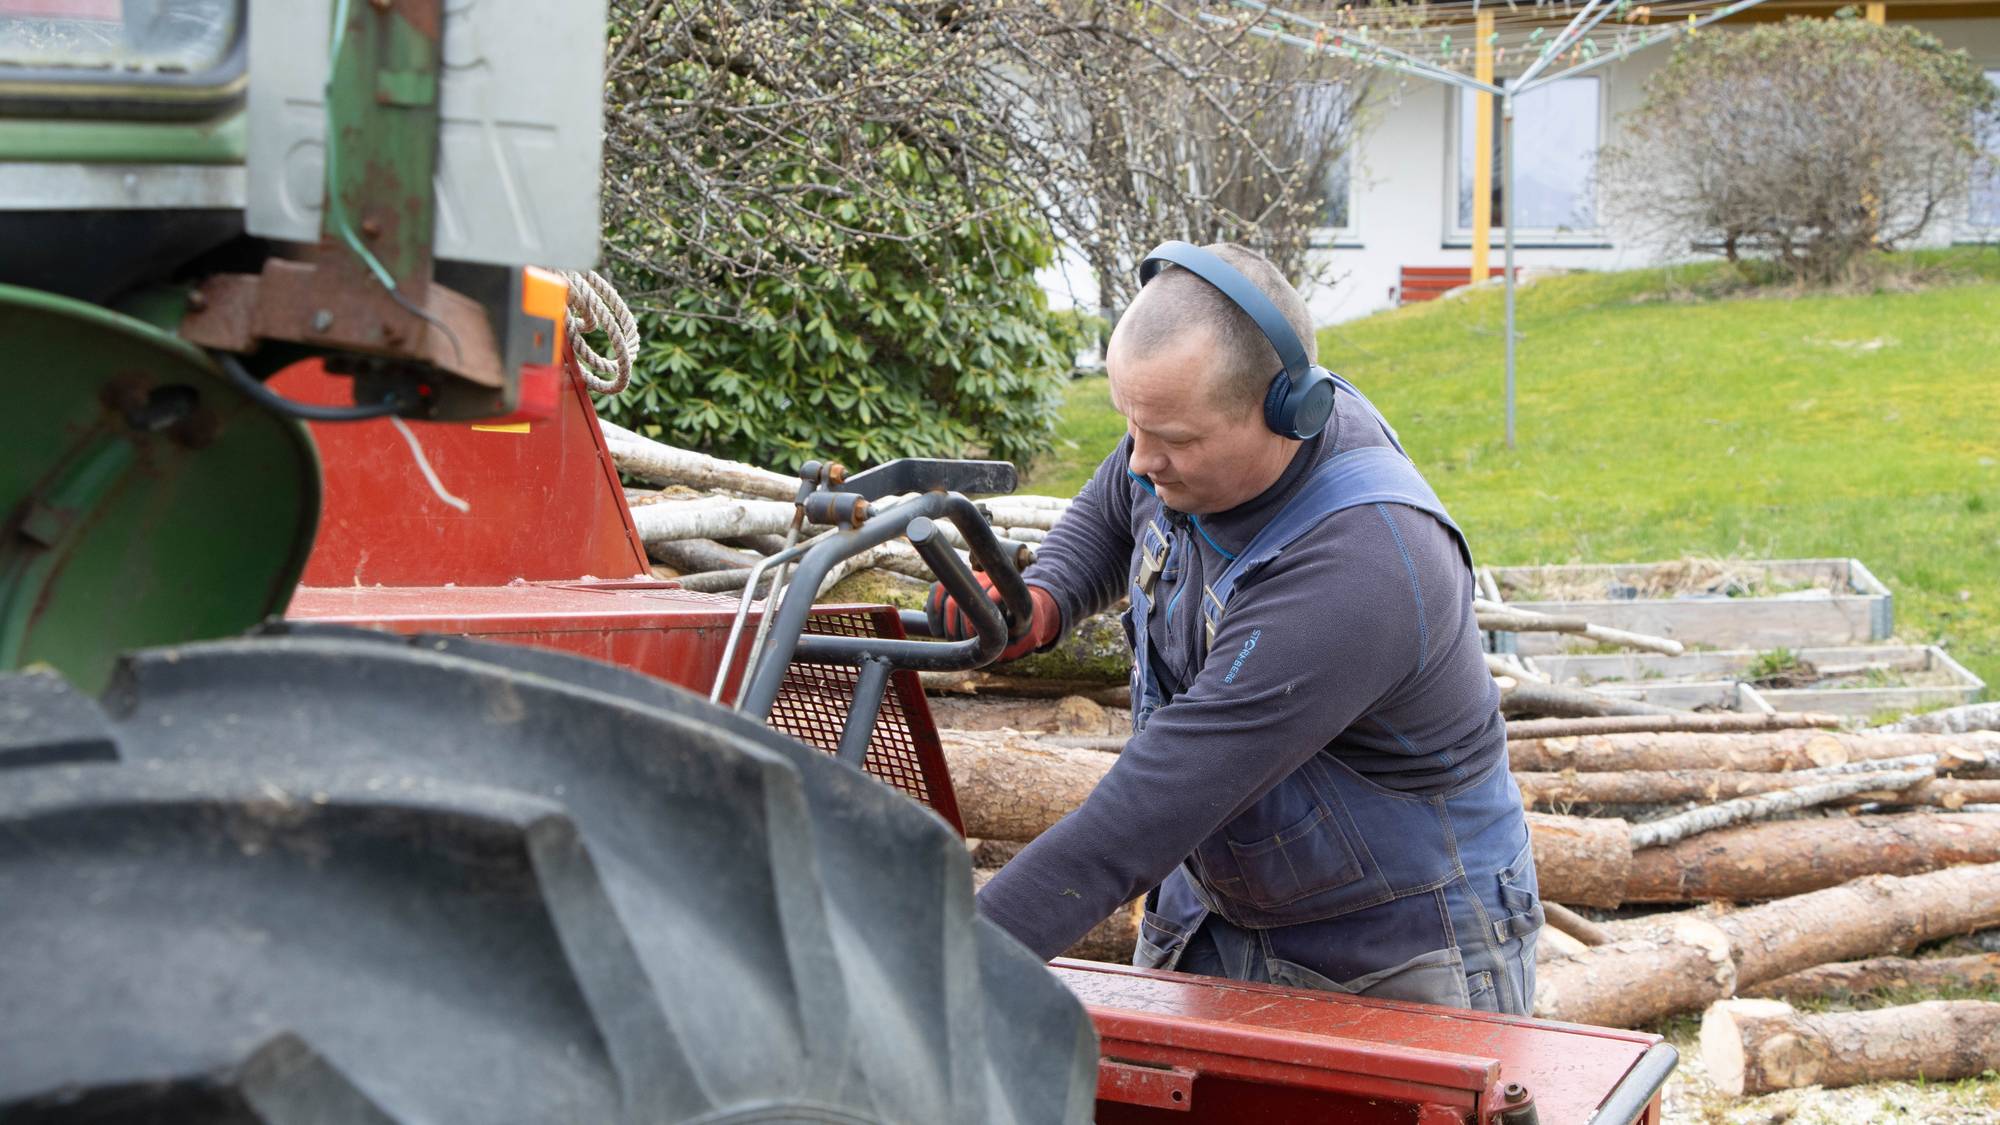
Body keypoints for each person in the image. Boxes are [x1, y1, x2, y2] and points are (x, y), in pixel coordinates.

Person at [928, 241, 1542, 1014]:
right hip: (1218, 910)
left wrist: (939, 965)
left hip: (1394, 948)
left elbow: (1150, 810)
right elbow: (1113, 509)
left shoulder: (1363, 567)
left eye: (1174, 440)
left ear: (1289, 409)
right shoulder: (1172, 447)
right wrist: (1045, 596)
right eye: (1131, 424)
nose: (1140, 458)